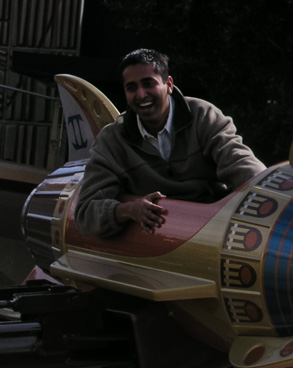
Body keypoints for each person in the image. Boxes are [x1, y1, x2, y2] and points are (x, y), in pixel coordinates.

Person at [75, 49, 266, 236]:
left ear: (169, 84)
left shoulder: (204, 116)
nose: (141, 95)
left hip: (211, 230)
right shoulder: (112, 140)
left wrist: (268, 194)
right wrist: (128, 210)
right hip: (152, 240)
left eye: (148, 84)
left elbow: (241, 163)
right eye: (131, 88)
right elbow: (85, 213)